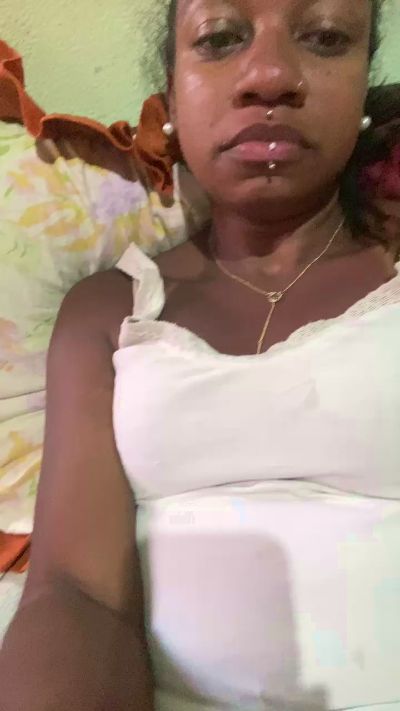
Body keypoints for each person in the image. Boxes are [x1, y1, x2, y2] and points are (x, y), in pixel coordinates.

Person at [1, 0, 400, 709]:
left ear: (364, 86)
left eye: (325, 37)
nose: (269, 75)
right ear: (172, 96)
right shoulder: (110, 311)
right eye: (219, 39)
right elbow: (74, 590)